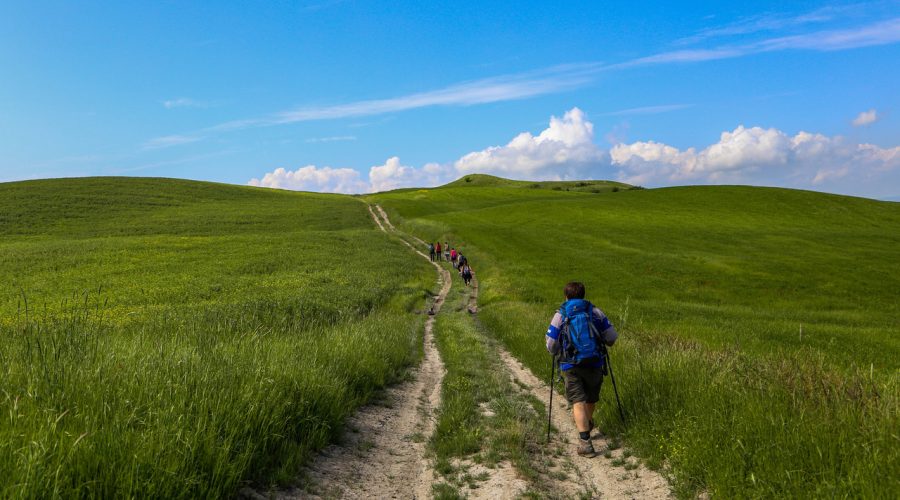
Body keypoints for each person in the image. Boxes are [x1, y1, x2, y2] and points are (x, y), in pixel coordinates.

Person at [544, 281, 618, 457]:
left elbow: (551, 345)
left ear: (566, 296)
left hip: (571, 364)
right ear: (583, 295)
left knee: (578, 401)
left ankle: (585, 443)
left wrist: (557, 351)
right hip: (594, 362)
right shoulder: (595, 312)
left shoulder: (561, 315)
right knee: (591, 398)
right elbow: (612, 337)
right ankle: (588, 422)